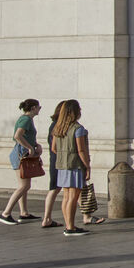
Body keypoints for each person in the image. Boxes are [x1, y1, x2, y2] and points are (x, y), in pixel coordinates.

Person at [0, 99, 42, 225]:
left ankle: (24, 212)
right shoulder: (26, 119)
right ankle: (6, 213)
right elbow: (18, 136)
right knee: (24, 186)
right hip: (21, 153)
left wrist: (35, 145)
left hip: (22, 152)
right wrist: (30, 147)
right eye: (39, 107)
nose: (39, 109)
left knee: (24, 185)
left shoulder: (26, 119)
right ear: (33, 108)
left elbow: (26, 136)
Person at [51, 99, 92, 236]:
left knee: (66, 196)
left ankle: (69, 225)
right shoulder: (78, 129)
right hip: (75, 166)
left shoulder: (58, 128)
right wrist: (87, 166)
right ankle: (70, 227)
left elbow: (54, 148)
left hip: (62, 165)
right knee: (73, 198)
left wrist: (64, 155)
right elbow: (81, 150)